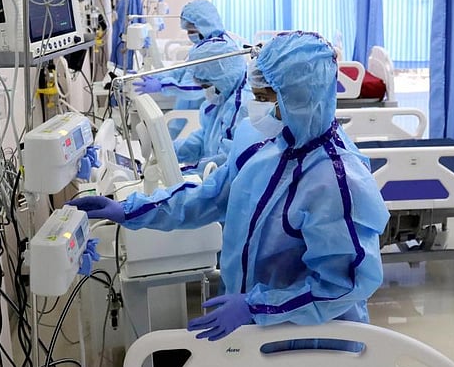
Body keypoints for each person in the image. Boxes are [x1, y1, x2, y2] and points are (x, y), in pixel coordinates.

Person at [68, 32, 389, 341]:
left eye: (265, 98)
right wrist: (130, 209)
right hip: (257, 330)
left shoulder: (336, 180)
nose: (256, 107)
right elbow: (211, 196)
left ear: (300, 99)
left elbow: (341, 285)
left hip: (309, 340)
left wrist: (257, 306)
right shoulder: (262, 144)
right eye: (255, 95)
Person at [132, 0, 228, 139]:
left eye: (192, 31)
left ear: (205, 26)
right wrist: (151, 75)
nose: (189, 34)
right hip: (186, 110)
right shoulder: (203, 45)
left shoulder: (215, 51)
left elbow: (197, 90)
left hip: (200, 113)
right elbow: (182, 71)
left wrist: (162, 86)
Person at [173, 37, 250, 172]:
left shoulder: (241, 106)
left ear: (223, 77)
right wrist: (170, 151)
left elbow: (225, 164)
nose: (206, 91)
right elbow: (204, 138)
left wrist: (185, 172)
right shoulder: (224, 96)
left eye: (206, 85)